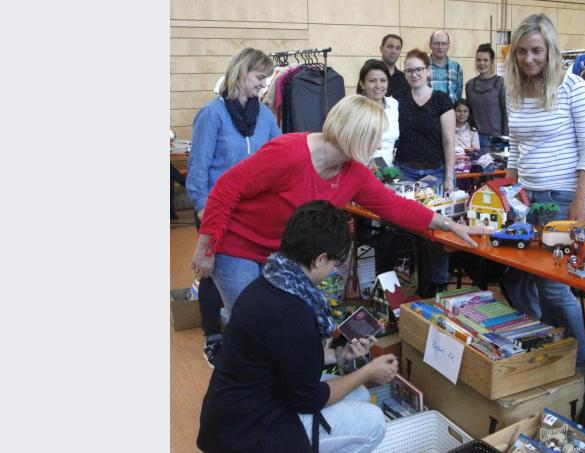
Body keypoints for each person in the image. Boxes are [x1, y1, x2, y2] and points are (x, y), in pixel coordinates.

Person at [191, 94, 488, 314]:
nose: (378, 146)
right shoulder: (289, 152)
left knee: (276, 323)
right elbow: (225, 190)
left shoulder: (354, 173)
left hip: (282, 255)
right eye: (374, 138)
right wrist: (206, 249)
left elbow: (394, 206)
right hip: (236, 246)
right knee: (249, 324)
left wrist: (449, 224)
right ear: (356, 135)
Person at [197, 200, 398, 453]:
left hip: (231, 416)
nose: (333, 272)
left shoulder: (272, 281)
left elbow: (289, 356)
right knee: (374, 423)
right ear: (320, 259)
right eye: (334, 265)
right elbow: (309, 399)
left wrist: (340, 355)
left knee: (356, 394)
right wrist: (368, 371)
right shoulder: (293, 312)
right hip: (249, 433)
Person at [499, 14, 585, 368]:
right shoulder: (513, 89)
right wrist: (508, 190)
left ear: (551, 49)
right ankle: (546, 347)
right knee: (519, 278)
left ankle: (583, 361)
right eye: (522, 51)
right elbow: (514, 146)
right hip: (525, 200)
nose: (529, 59)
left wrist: (580, 201)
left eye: (537, 51)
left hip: (560, 200)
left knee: (555, 286)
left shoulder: (574, 88)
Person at [186, 47, 283, 367]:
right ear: (241, 72)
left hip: (253, 217)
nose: (263, 84)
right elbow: (198, 170)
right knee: (211, 274)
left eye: (267, 79)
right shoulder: (212, 114)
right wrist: (203, 212)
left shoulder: (265, 116)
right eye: (259, 77)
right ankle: (213, 337)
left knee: (248, 283)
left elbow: (279, 156)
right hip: (215, 211)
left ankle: (247, 337)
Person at [393, 49, 457, 297]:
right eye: (409, 70)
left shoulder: (442, 99)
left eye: (419, 69)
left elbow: (449, 141)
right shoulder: (398, 99)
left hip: (435, 171)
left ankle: (438, 281)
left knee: (436, 230)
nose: (414, 74)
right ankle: (415, 281)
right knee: (408, 229)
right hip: (406, 171)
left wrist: (449, 177)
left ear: (428, 71)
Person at [465, 43, 508, 150]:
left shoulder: (501, 83)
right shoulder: (470, 85)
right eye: (478, 60)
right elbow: (469, 115)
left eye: (485, 60)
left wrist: (506, 140)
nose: (481, 63)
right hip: (475, 139)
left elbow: (506, 114)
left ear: (492, 62)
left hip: (497, 140)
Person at [356, 59, 398, 167]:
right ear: (362, 84)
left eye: (383, 80)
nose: (378, 85)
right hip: (361, 170)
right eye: (372, 81)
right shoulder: (354, 109)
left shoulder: (393, 105)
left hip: (388, 172)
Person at [428, 31, 463, 103]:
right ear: (430, 45)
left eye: (443, 44)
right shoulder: (422, 66)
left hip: (450, 112)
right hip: (427, 113)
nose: (440, 47)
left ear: (448, 46)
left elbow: (458, 95)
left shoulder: (456, 67)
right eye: (436, 43)